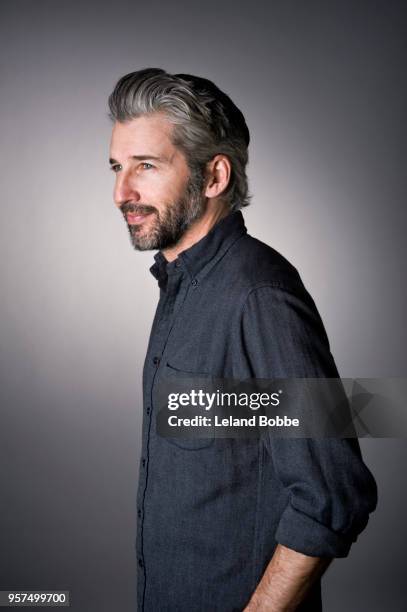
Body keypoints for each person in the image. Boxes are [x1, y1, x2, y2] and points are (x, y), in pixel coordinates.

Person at [107, 68, 377, 611]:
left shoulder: (260, 296)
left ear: (214, 177)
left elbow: (332, 495)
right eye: (117, 167)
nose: (121, 193)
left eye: (147, 166)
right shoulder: (180, 285)